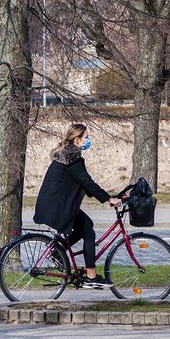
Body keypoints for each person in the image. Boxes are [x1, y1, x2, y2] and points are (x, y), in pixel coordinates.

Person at [33, 122, 122, 289]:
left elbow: (83, 183)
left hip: (55, 203)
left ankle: (57, 253)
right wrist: (108, 199)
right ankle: (91, 276)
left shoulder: (67, 154)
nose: (89, 140)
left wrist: (109, 196)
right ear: (77, 140)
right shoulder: (72, 157)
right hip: (58, 206)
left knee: (86, 225)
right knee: (88, 231)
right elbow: (87, 182)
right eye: (86, 137)